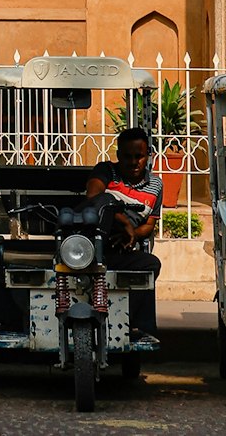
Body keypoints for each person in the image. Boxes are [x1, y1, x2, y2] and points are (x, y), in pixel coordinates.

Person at [86, 127, 162, 346]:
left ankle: (138, 327)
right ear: (118, 155)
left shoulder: (156, 185)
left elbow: (149, 224)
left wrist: (133, 236)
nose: (134, 162)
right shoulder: (106, 171)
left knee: (151, 265)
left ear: (148, 155)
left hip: (121, 252)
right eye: (127, 156)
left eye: (139, 156)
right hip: (90, 249)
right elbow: (93, 195)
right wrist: (123, 221)